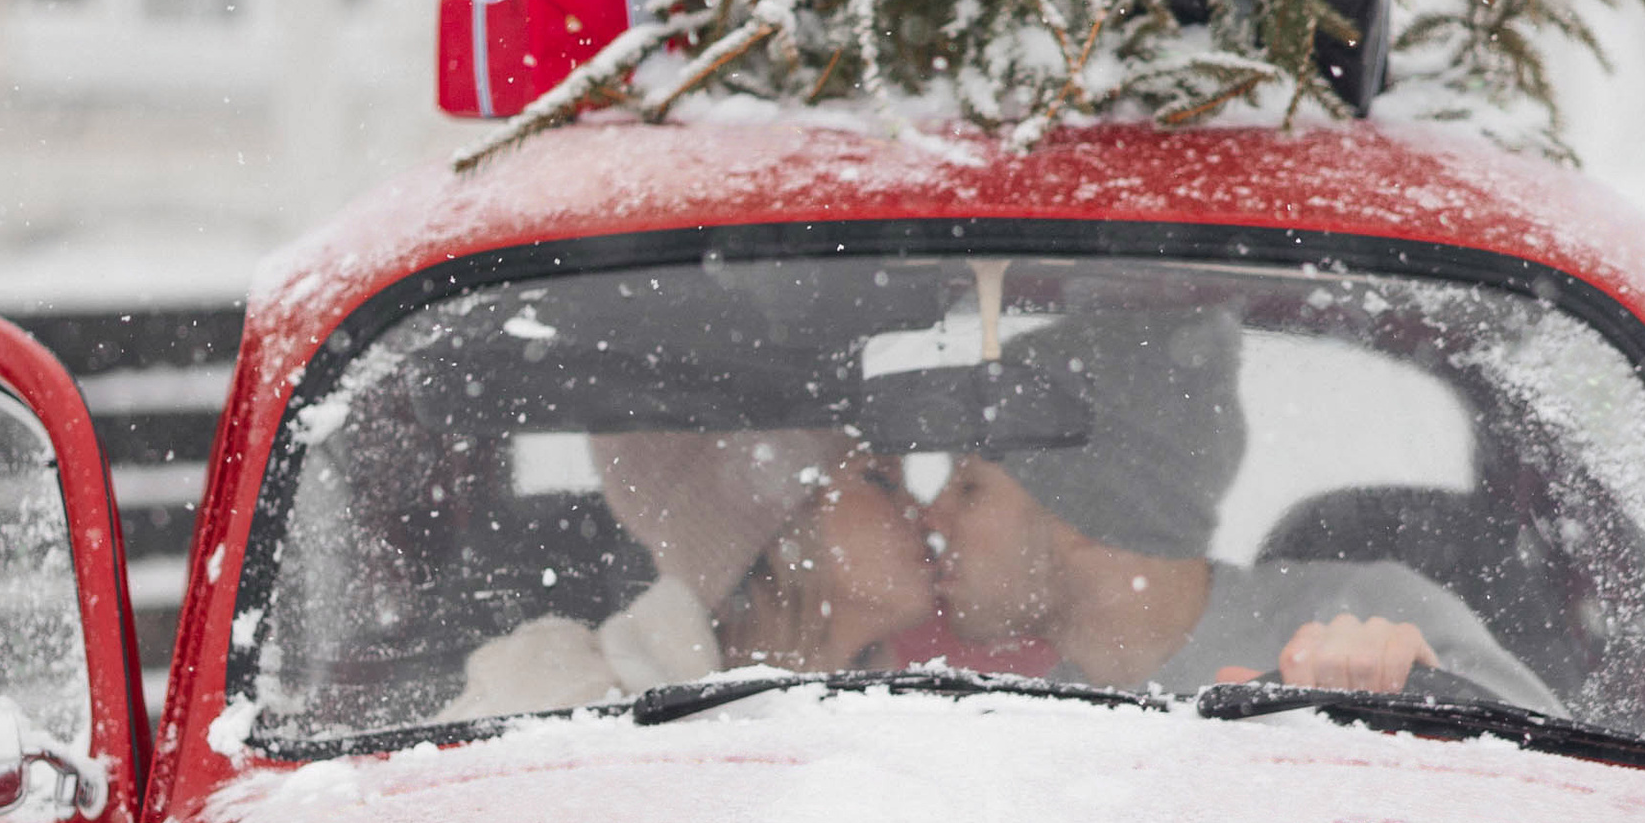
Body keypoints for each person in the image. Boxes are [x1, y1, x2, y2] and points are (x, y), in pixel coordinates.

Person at [921, 305, 1556, 705]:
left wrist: (1403, 704)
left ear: (1089, 511)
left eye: (970, 487)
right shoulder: (1027, 721)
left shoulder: (1370, 619)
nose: (933, 514)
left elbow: (1574, 809)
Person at [455, 430, 932, 714]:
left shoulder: (921, 719)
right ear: (780, 525)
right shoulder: (556, 706)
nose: (922, 513)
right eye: (880, 479)